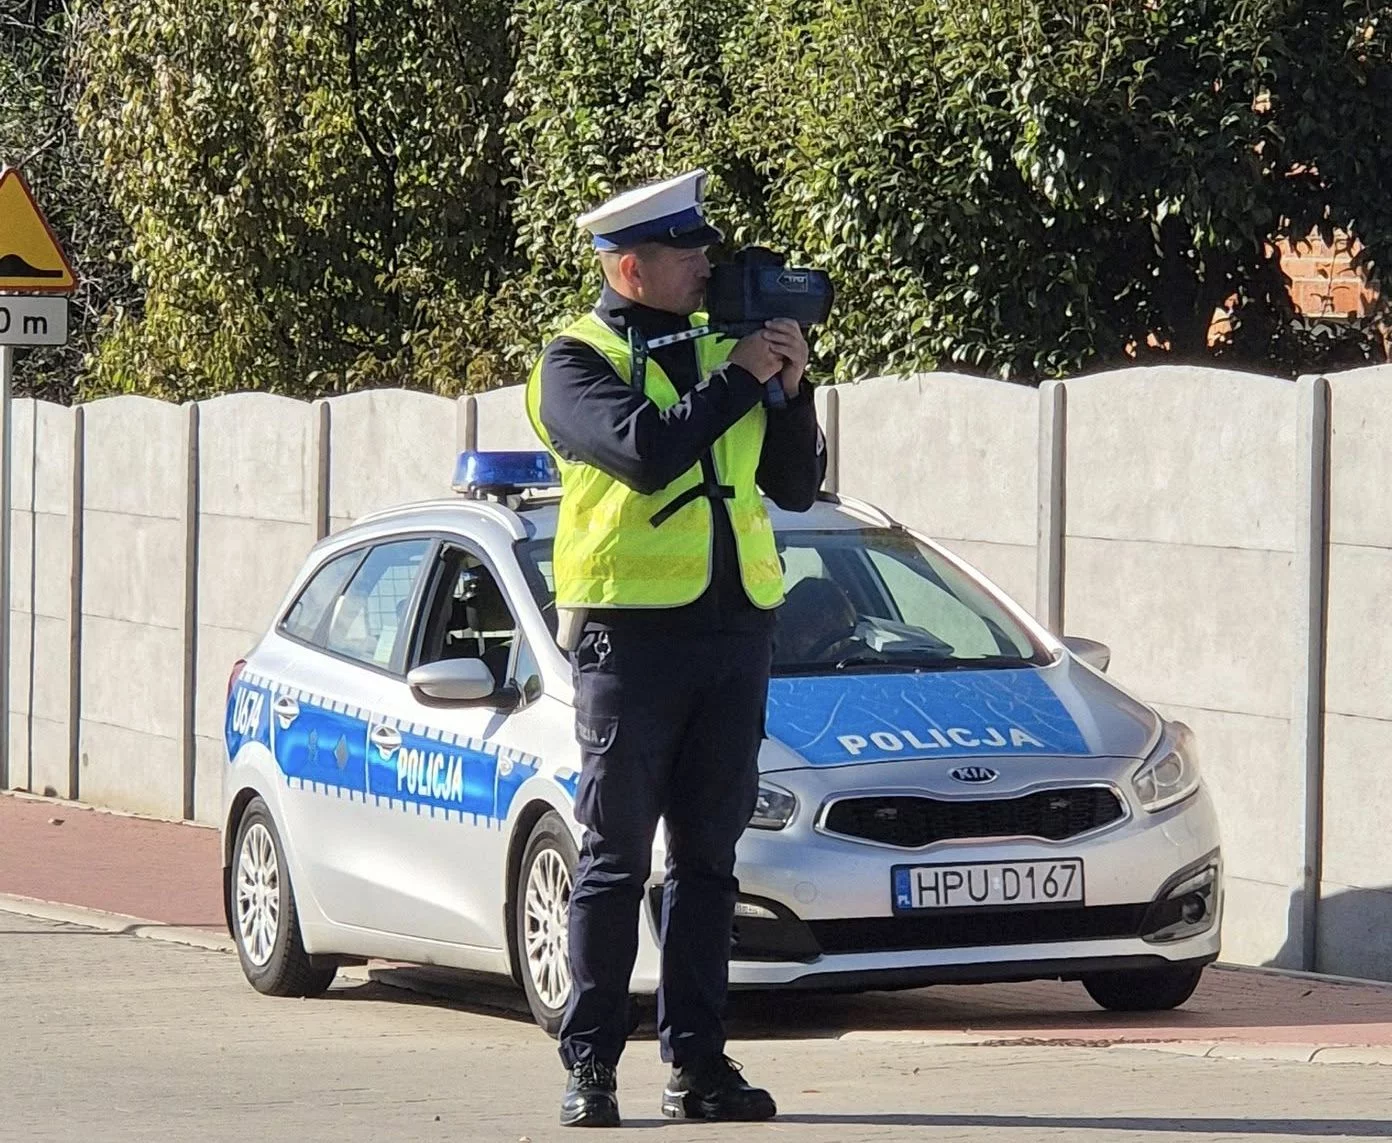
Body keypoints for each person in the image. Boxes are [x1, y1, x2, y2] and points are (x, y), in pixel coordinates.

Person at [524, 168, 825, 1127]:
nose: (706, 261)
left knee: (709, 860)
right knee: (614, 857)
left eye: (703, 246)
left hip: (736, 627)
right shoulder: (573, 361)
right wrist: (740, 375)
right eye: (684, 250)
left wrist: (791, 389)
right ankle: (591, 1065)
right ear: (629, 266)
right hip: (632, 636)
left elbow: (794, 486)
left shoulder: (719, 350)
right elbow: (647, 452)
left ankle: (698, 1063)